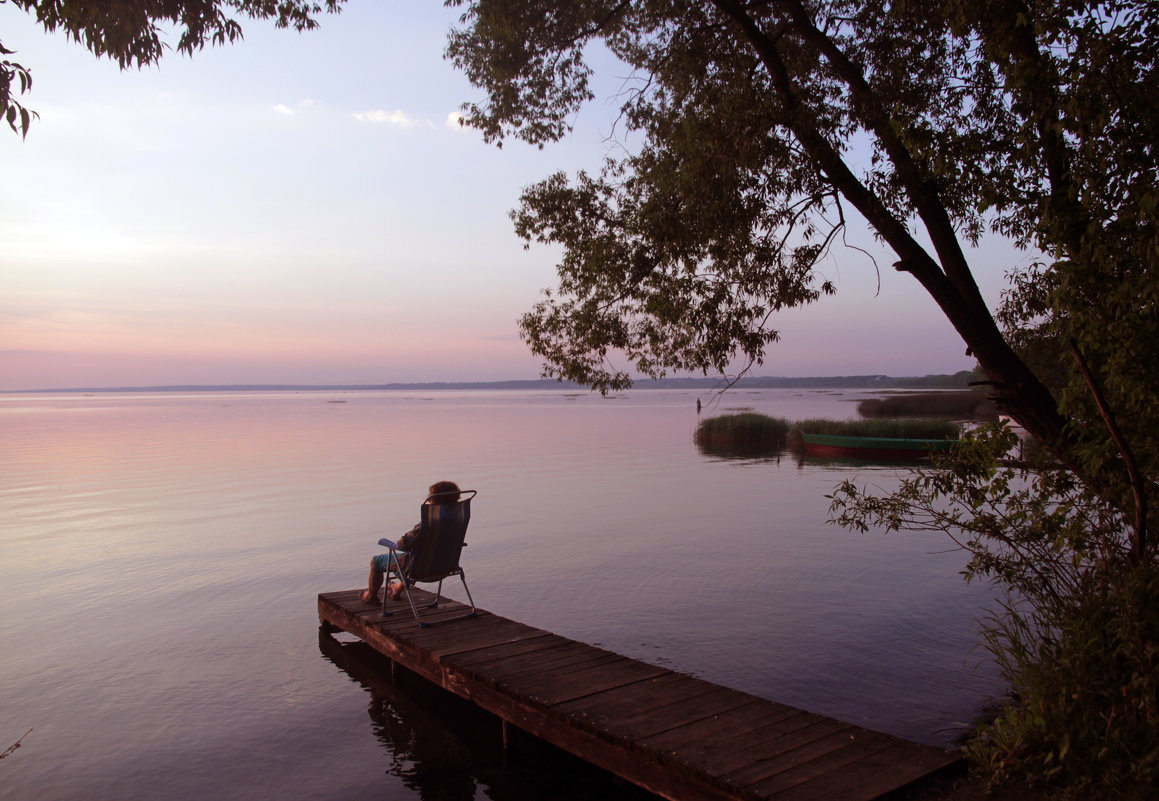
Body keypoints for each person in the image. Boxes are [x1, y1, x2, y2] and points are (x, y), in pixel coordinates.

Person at [360, 481, 461, 604]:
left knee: (376, 561)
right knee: (419, 557)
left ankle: (371, 597)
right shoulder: (458, 522)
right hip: (446, 567)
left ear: (435, 500)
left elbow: (403, 544)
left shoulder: (427, 524)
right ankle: (397, 588)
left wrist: (395, 542)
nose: (428, 501)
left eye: (430, 497)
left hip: (420, 570)